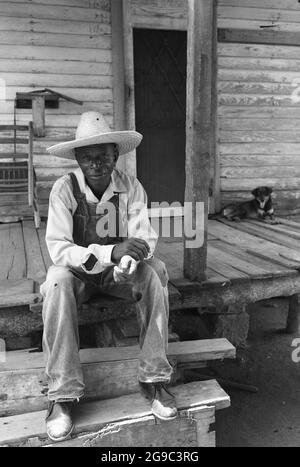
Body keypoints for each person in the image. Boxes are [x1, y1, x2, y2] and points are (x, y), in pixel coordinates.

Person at [41, 111, 177, 442]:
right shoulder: (64, 190)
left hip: (118, 276)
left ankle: (154, 378)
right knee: (56, 280)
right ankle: (63, 394)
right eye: (88, 157)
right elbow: (59, 249)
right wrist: (109, 253)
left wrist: (131, 258)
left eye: (103, 156)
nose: (97, 164)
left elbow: (144, 236)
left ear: (116, 155)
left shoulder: (130, 186)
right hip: (80, 276)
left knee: (156, 271)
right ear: (77, 158)